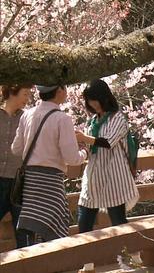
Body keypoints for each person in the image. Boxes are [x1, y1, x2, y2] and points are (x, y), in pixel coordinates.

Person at [11, 85, 88, 244]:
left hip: (31, 183)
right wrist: (85, 152)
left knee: (35, 228)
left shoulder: (27, 115)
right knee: (54, 228)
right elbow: (72, 158)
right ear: (59, 91)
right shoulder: (62, 119)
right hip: (51, 182)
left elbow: (16, 149)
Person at [75, 79, 139, 233]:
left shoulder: (117, 118)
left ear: (104, 97)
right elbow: (90, 148)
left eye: (94, 99)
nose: (92, 103)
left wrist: (84, 138)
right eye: (89, 100)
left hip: (114, 177)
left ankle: (127, 256)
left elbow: (108, 142)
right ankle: (87, 257)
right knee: (84, 223)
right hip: (93, 177)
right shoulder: (92, 122)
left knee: (119, 223)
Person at [0, 84, 33, 248]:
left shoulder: (27, 118)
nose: (27, 99)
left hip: (20, 182)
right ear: (12, 92)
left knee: (23, 231)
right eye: (25, 94)